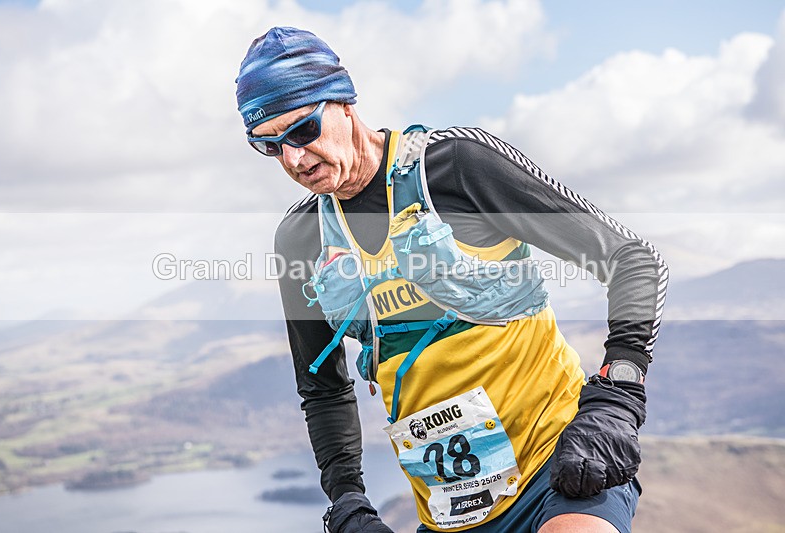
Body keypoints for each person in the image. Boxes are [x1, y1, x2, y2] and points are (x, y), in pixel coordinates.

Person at [235, 27, 667, 533]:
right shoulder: (302, 238)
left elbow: (632, 259)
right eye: (269, 146)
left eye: (303, 130)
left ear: (344, 104)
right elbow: (323, 388)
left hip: (563, 465)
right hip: (452, 513)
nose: (293, 158)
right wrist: (347, 499)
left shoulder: (455, 168)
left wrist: (617, 400)